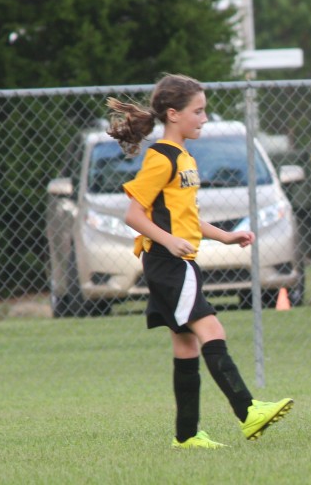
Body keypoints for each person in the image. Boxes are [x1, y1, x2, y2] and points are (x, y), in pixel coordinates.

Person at [107, 74, 294, 449]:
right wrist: (170, 241)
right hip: (168, 263)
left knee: (186, 345)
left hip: (176, 261)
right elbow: (133, 215)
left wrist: (225, 235)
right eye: (199, 111)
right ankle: (248, 411)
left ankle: (187, 435)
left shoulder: (184, 157)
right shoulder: (161, 158)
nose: (205, 118)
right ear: (173, 114)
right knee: (211, 330)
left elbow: (185, 216)